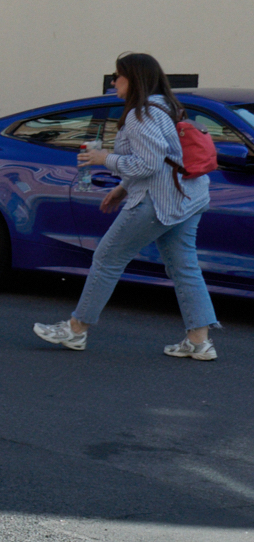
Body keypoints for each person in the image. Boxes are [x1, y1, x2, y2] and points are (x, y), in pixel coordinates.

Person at [33, 52, 218, 360]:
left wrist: (103, 158)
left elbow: (149, 163)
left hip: (158, 201)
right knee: (184, 267)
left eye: (118, 75)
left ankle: (76, 330)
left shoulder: (141, 114)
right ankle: (200, 342)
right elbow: (164, 159)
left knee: (107, 258)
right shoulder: (167, 106)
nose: (114, 81)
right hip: (189, 197)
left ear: (134, 79)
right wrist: (122, 188)